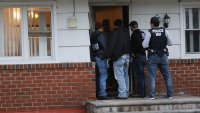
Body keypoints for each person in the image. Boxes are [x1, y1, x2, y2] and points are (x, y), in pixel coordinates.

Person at [142, 17, 173, 100]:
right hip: (163, 55)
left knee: (152, 76)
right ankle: (170, 95)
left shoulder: (149, 32)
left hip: (153, 55)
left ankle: (152, 95)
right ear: (159, 23)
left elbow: (144, 45)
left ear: (151, 23)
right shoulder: (165, 31)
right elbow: (170, 43)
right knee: (167, 76)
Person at [106, 19, 131, 99]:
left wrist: (108, 56)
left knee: (119, 75)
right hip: (127, 56)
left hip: (119, 57)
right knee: (126, 75)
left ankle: (122, 94)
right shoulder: (126, 31)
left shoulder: (115, 31)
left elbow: (112, 44)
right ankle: (126, 92)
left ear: (115, 25)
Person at [90, 23, 110, 100]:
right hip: (101, 57)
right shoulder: (100, 35)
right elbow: (105, 46)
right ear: (101, 28)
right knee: (103, 75)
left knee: (98, 76)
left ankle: (98, 92)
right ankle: (102, 94)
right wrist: (107, 55)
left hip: (95, 57)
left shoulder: (92, 36)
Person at [129, 21, 146, 98]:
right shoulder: (142, 33)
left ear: (132, 27)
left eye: (130, 27)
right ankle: (143, 92)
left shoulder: (134, 34)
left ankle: (141, 93)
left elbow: (135, 45)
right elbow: (145, 44)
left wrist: (133, 53)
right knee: (141, 74)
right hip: (143, 56)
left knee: (139, 75)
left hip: (138, 56)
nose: (130, 28)